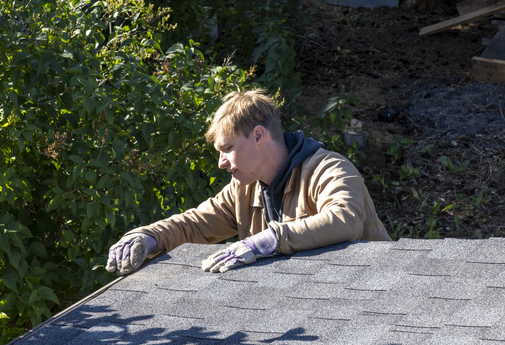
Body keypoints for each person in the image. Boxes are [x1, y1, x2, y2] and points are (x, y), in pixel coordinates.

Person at [105, 89, 391, 275]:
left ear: (258, 136)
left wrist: (269, 240)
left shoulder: (329, 168)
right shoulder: (243, 189)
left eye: (227, 148)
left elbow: (345, 219)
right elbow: (191, 224)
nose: (221, 163)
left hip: (374, 298)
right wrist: (145, 236)